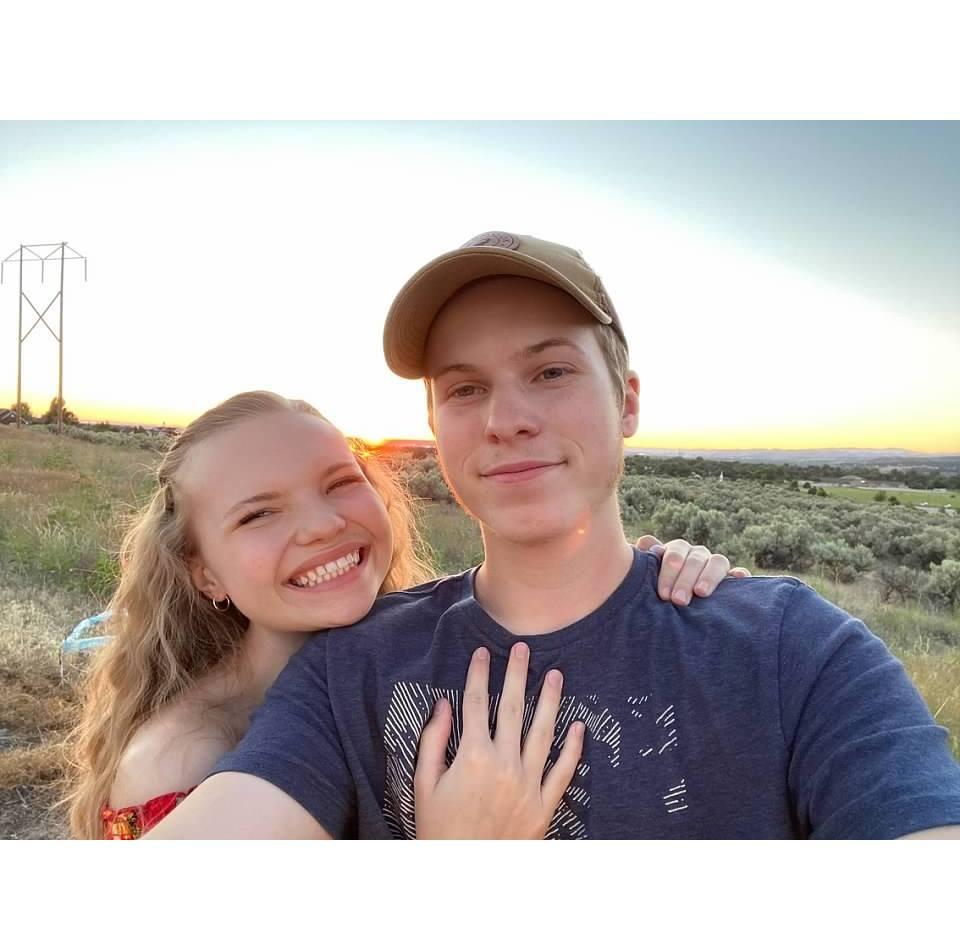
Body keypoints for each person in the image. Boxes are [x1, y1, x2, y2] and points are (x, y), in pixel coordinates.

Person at [149, 231, 960, 840]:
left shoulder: (793, 651)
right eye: (466, 389)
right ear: (436, 424)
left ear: (627, 401)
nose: (506, 420)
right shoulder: (349, 669)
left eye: (550, 372)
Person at [66, 390, 744, 839]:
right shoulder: (184, 759)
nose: (322, 525)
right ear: (204, 570)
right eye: (259, 514)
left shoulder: (405, 649)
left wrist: (638, 578)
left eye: (340, 483)